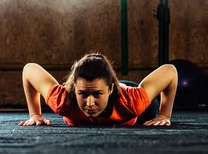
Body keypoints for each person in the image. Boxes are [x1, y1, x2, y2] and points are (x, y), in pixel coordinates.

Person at [18, 53, 178, 127]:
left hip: (125, 94)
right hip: (110, 90)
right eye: (82, 94)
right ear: (75, 90)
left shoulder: (132, 101)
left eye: (96, 95)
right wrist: (35, 115)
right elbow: (29, 69)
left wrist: (164, 115)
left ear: (109, 90)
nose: (89, 103)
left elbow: (170, 71)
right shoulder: (63, 100)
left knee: (151, 109)